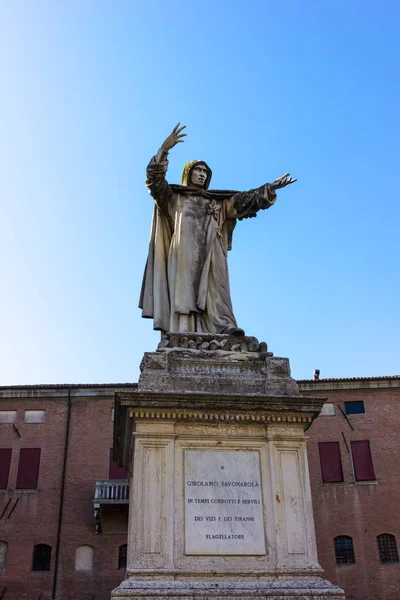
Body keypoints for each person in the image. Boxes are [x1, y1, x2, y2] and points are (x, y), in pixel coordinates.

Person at [139, 124, 296, 336]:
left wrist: (269, 189)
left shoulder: (218, 201)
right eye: (198, 170)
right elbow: (154, 182)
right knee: (184, 291)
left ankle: (223, 326)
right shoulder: (173, 197)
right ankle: (183, 333)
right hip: (184, 250)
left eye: (205, 171)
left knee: (218, 288)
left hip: (213, 249)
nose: (202, 174)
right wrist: (164, 150)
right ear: (189, 173)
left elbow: (244, 201)